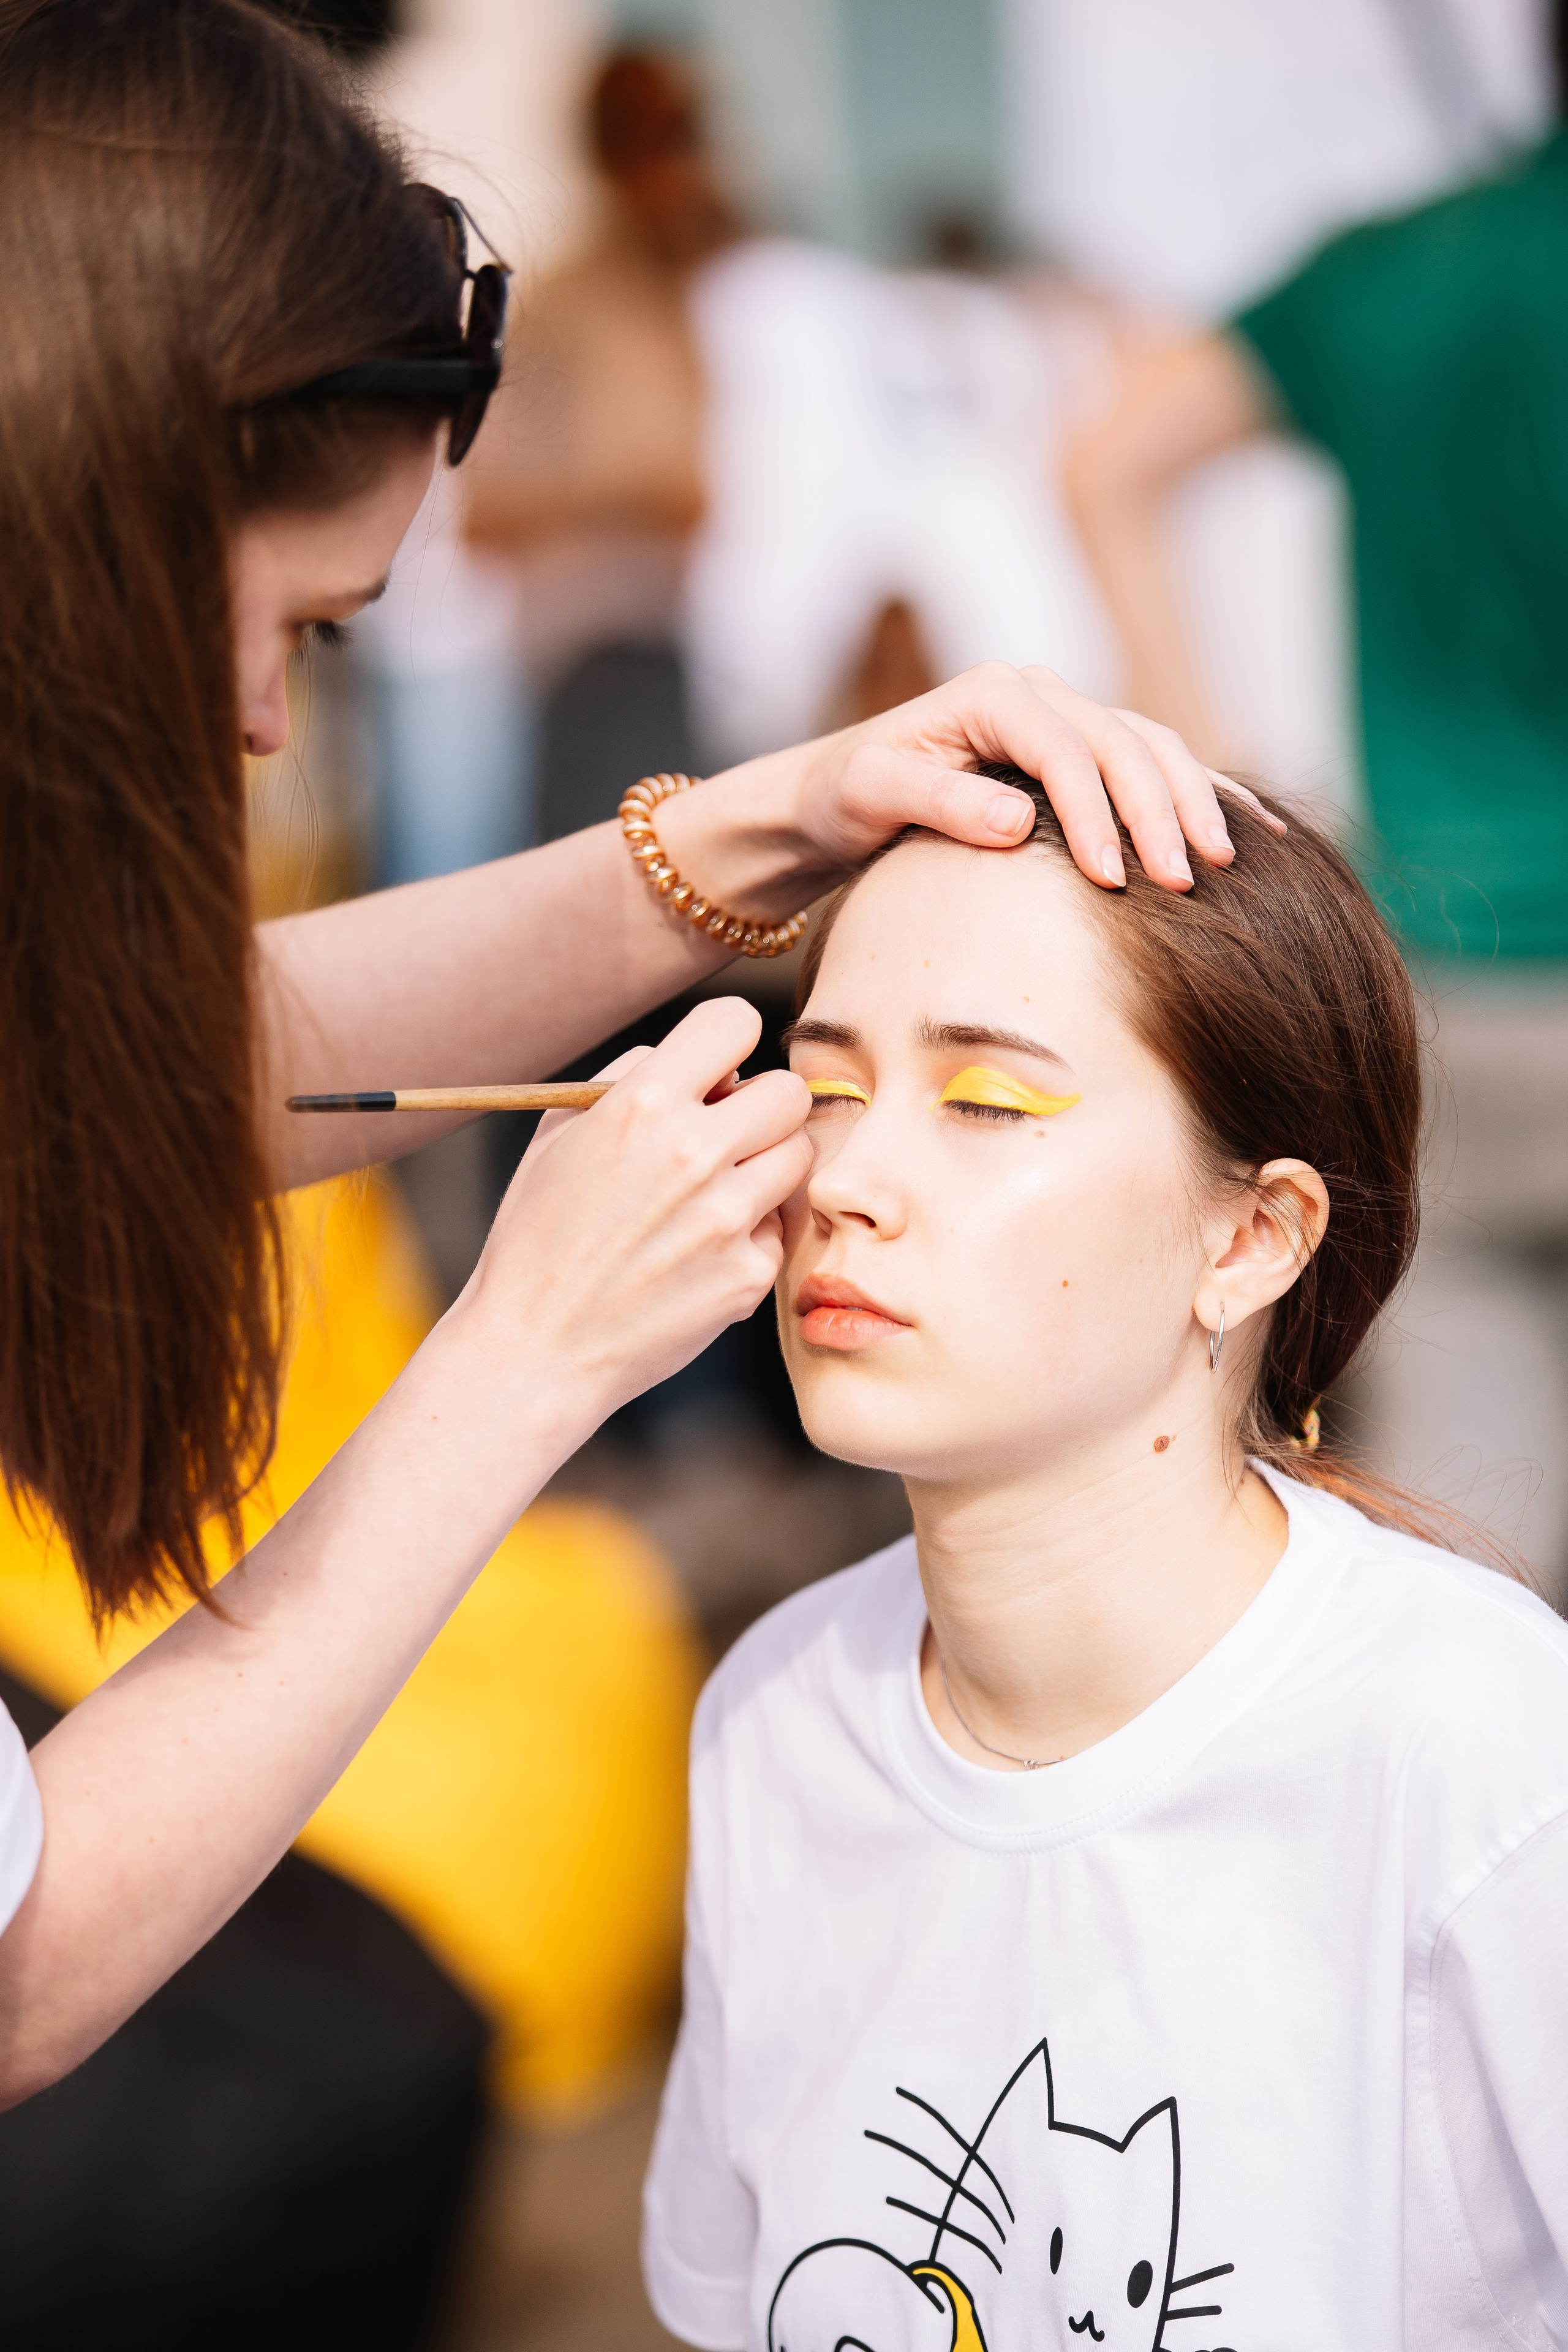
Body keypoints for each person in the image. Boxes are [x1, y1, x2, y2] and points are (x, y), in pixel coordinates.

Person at [0, 0, 1239, 2109]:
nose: (271, 728)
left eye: (998, 1091)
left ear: (1263, 1231)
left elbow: (113, 1069)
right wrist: (522, 1358)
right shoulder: (773, 1748)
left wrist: (755, 824)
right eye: (299, 623)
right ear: (92, 528)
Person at [642, 772, 1568, 2348]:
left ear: (1250, 1239)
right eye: (825, 1091)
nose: (845, 1186)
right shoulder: (773, 1715)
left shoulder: (1485, 1759)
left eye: (988, 1105)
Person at [1061, 13, 1568, 1577]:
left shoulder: (1393, 271)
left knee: (1473, 1552)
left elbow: (1103, 461)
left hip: (1443, 986)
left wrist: (1204, 774)